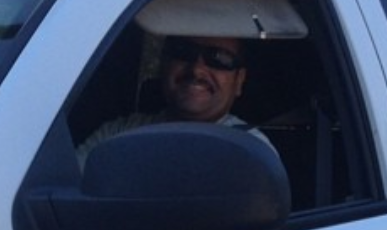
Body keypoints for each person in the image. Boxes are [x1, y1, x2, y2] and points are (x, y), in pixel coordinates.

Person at [77, 33, 273, 164]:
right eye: (183, 52)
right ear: (163, 64)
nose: (196, 70)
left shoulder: (251, 152)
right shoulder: (117, 135)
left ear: (239, 80)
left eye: (218, 59)